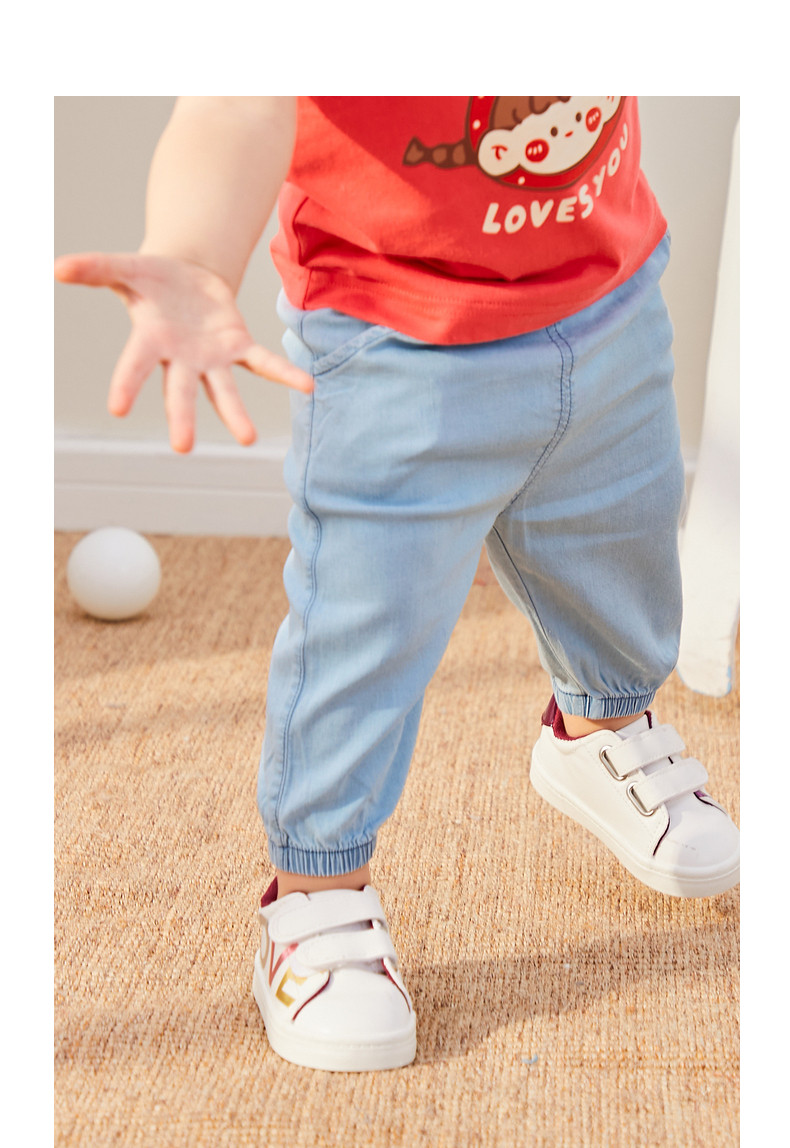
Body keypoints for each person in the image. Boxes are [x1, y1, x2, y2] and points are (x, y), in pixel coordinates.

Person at [55, 96, 740, 1074]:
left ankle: (599, 730)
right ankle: (314, 891)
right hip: (399, 342)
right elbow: (239, 97)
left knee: (620, 540)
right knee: (366, 626)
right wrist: (194, 256)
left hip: (609, 297)